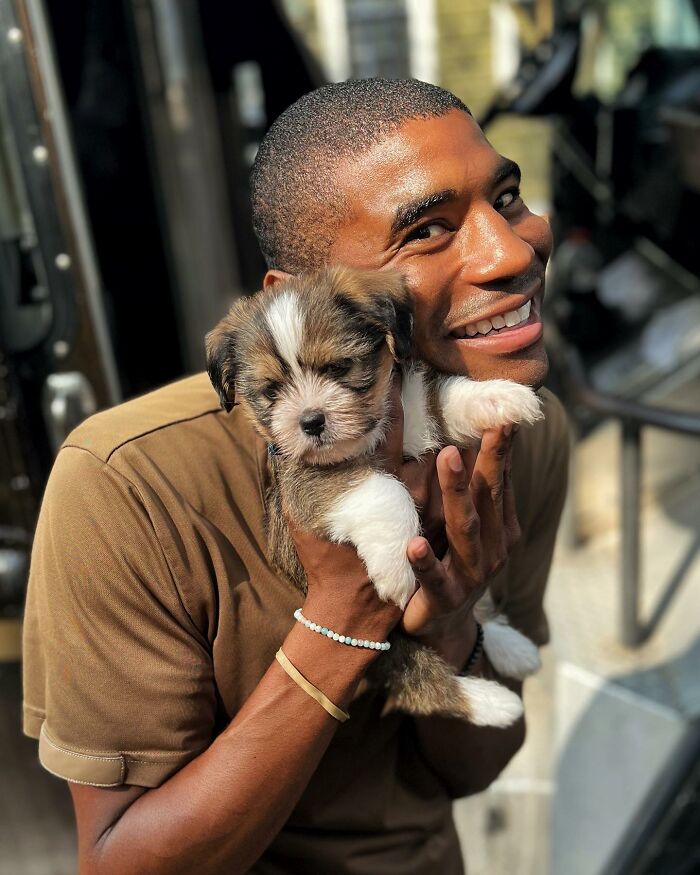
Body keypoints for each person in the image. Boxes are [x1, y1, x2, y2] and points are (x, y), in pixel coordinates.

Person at [23, 78, 568, 875]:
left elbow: (476, 764)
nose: (513, 249)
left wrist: (454, 630)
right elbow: (117, 863)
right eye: (427, 230)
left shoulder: (520, 429)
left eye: (509, 196)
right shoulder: (125, 485)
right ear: (295, 299)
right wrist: (342, 614)